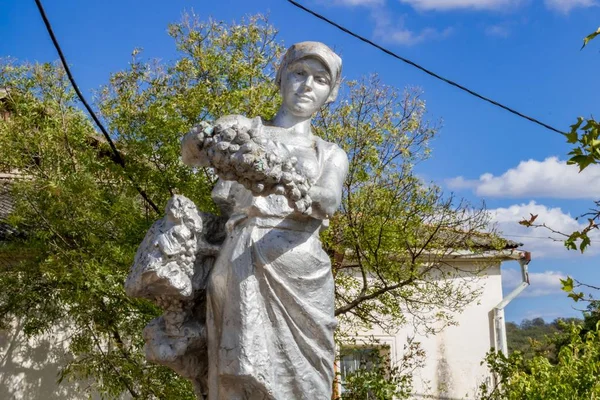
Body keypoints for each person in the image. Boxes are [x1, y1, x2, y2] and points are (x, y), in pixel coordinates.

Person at [183, 41, 348, 400]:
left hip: (302, 267)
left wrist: (282, 177)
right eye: (299, 73)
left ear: (331, 93)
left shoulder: (330, 153)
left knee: (309, 382)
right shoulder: (245, 130)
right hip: (244, 258)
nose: (307, 85)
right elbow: (191, 152)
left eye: (320, 79)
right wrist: (205, 138)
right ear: (281, 77)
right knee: (237, 371)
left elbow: (329, 201)